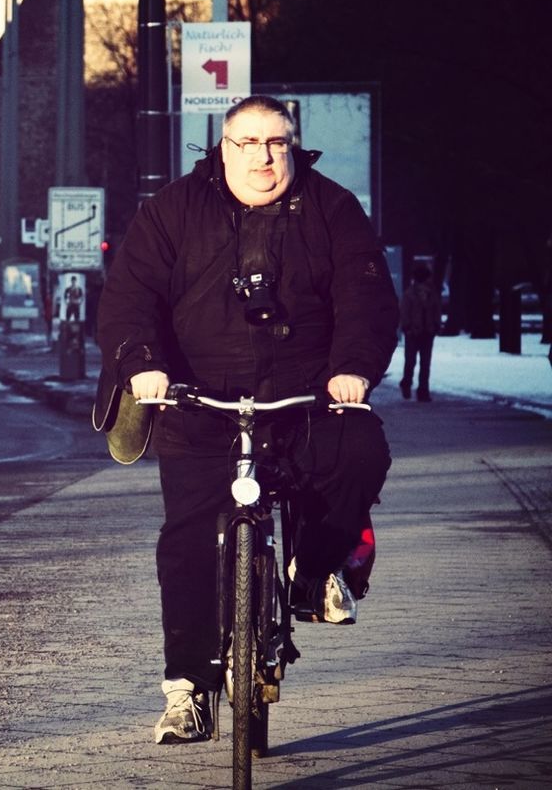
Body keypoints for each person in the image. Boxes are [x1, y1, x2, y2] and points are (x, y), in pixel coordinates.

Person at [95, 95, 398, 745]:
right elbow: (129, 297)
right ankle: (188, 688)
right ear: (223, 149)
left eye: (276, 142)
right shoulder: (172, 211)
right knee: (186, 539)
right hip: (196, 400)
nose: (263, 156)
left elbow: (367, 297)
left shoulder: (332, 209)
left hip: (305, 398)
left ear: (293, 146)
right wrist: (143, 363)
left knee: (362, 453)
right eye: (248, 142)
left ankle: (314, 572)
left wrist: (353, 369)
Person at [399, 263, 441, 401]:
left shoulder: (431, 294)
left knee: (424, 363)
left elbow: (436, 311)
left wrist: (435, 326)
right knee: (411, 361)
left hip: (427, 332)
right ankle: (407, 383)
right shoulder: (410, 294)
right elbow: (405, 312)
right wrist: (407, 327)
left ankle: (423, 390)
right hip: (414, 333)